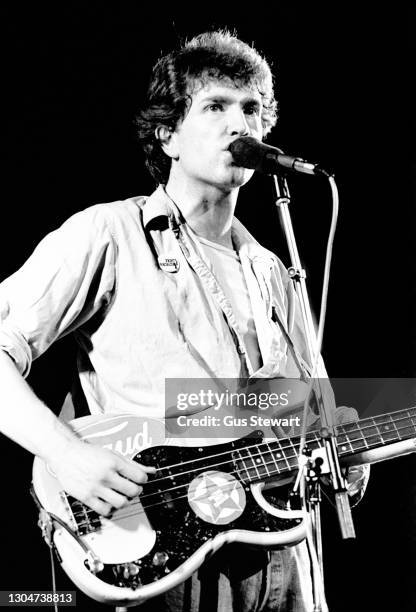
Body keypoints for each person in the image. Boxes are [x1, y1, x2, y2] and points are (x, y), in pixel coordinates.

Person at [0, 30, 367, 611]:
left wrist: (341, 445)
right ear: (167, 134)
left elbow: (297, 411)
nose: (238, 124)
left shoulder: (272, 269)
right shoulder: (110, 233)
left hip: (278, 548)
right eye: (215, 106)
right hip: (156, 546)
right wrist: (65, 453)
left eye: (251, 109)